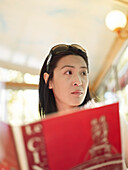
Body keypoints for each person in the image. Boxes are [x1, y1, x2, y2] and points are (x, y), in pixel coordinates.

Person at [39, 43, 128, 168]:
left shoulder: (111, 119)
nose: (79, 81)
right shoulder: (41, 140)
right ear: (49, 80)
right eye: (69, 72)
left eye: (83, 73)